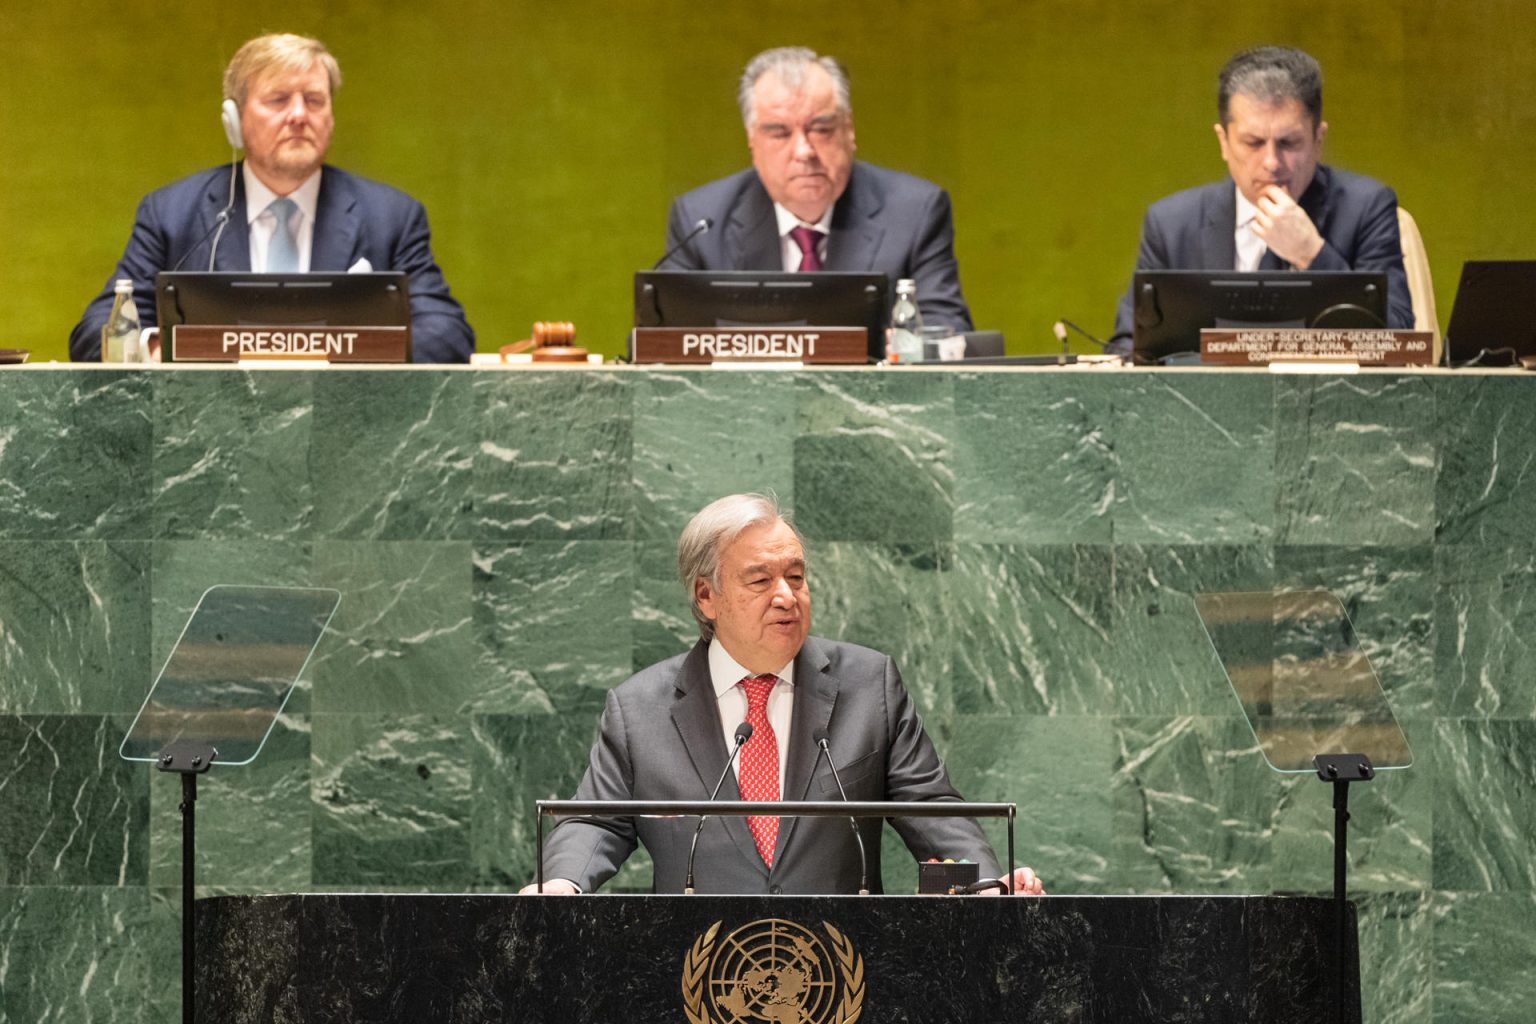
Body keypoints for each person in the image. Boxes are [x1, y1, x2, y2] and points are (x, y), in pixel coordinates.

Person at [524, 493, 1043, 896]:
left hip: (841, 978)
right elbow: (595, 819)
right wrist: (563, 882)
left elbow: (932, 809)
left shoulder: (869, 685)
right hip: (697, 977)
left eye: (796, 577)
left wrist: (984, 887)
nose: (786, 596)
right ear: (707, 596)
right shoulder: (640, 710)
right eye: (760, 580)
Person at [69, 33, 474, 363]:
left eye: (314, 100)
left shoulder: (391, 217)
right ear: (235, 121)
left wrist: (355, 353)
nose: (299, 115)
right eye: (278, 100)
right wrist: (159, 349)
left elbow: (448, 333)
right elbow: (94, 332)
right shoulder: (172, 214)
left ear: (331, 118)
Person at [1109, 45, 1412, 355]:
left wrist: (1312, 255)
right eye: (1253, 143)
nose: (1271, 162)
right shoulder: (1171, 225)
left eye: (1289, 143)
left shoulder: (1366, 208)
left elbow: (1400, 341)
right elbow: (1127, 348)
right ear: (1224, 142)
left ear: (1318, 140)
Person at [658, 47, 973, 331]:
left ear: (848, 129)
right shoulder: (700, 221)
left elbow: (947, 332)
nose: (804, 150)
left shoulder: (914, 213)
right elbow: (659, 339)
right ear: (752, 140)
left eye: (821, 130)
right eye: (780, 133)